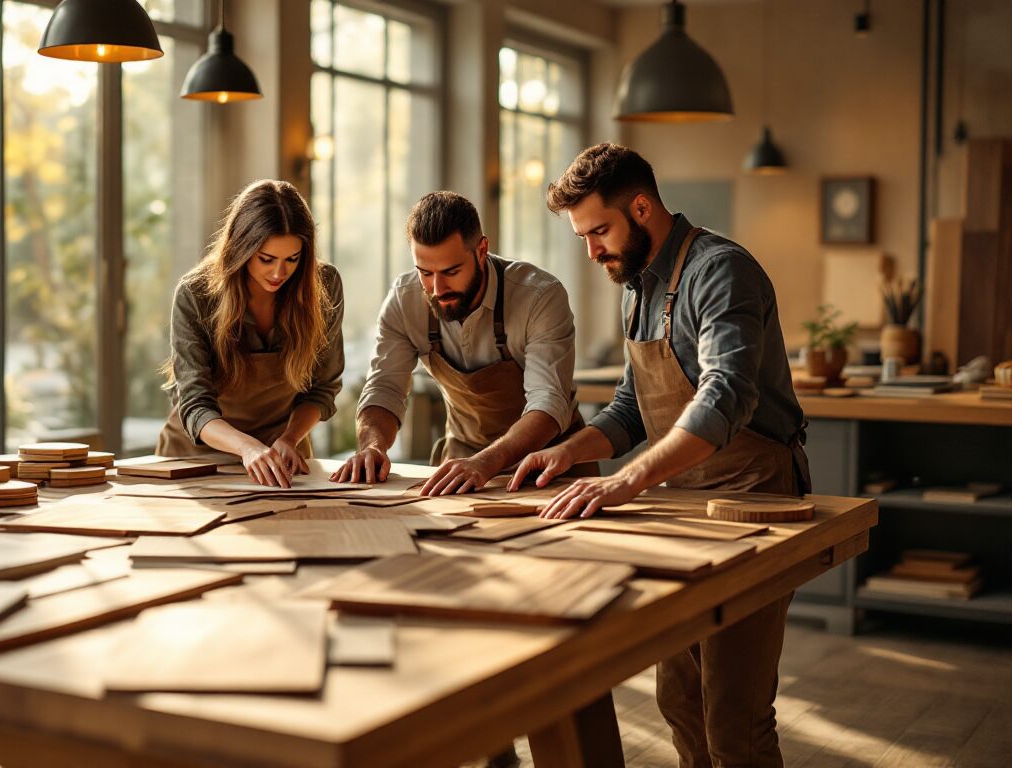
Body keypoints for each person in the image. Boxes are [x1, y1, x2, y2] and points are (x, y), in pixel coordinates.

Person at [510, 142, 810, 768]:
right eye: (583, 237)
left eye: (599, 231)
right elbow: (630, 409)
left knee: (735, 717)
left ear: (642, 208)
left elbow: (725, 395)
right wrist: (567, 451)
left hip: (753, 497)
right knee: (680, 700)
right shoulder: (636, 286)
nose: (591, 251)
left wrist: (628, 481)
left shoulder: (721, 271)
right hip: (684, 500)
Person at [332, 190, 594, 495]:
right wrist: (372, 446)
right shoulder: (404, 301)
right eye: (425, 273)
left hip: (553, 465)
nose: (437, 289)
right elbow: (384, 389)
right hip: (462, 462)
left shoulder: (538, 297)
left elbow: (548, 404)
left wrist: (487, 462)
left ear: (482, 250)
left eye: (451, 271)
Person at [158, 179, 344, 488]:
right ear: (240, 248)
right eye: (266, 259)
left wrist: (290, 438)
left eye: (292, 259)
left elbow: (322, 388)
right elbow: (195, 404)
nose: (279, 273)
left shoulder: (324, 285)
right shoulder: (196, 294)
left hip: (282, 456)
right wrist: (248, 447)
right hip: (195, 458)